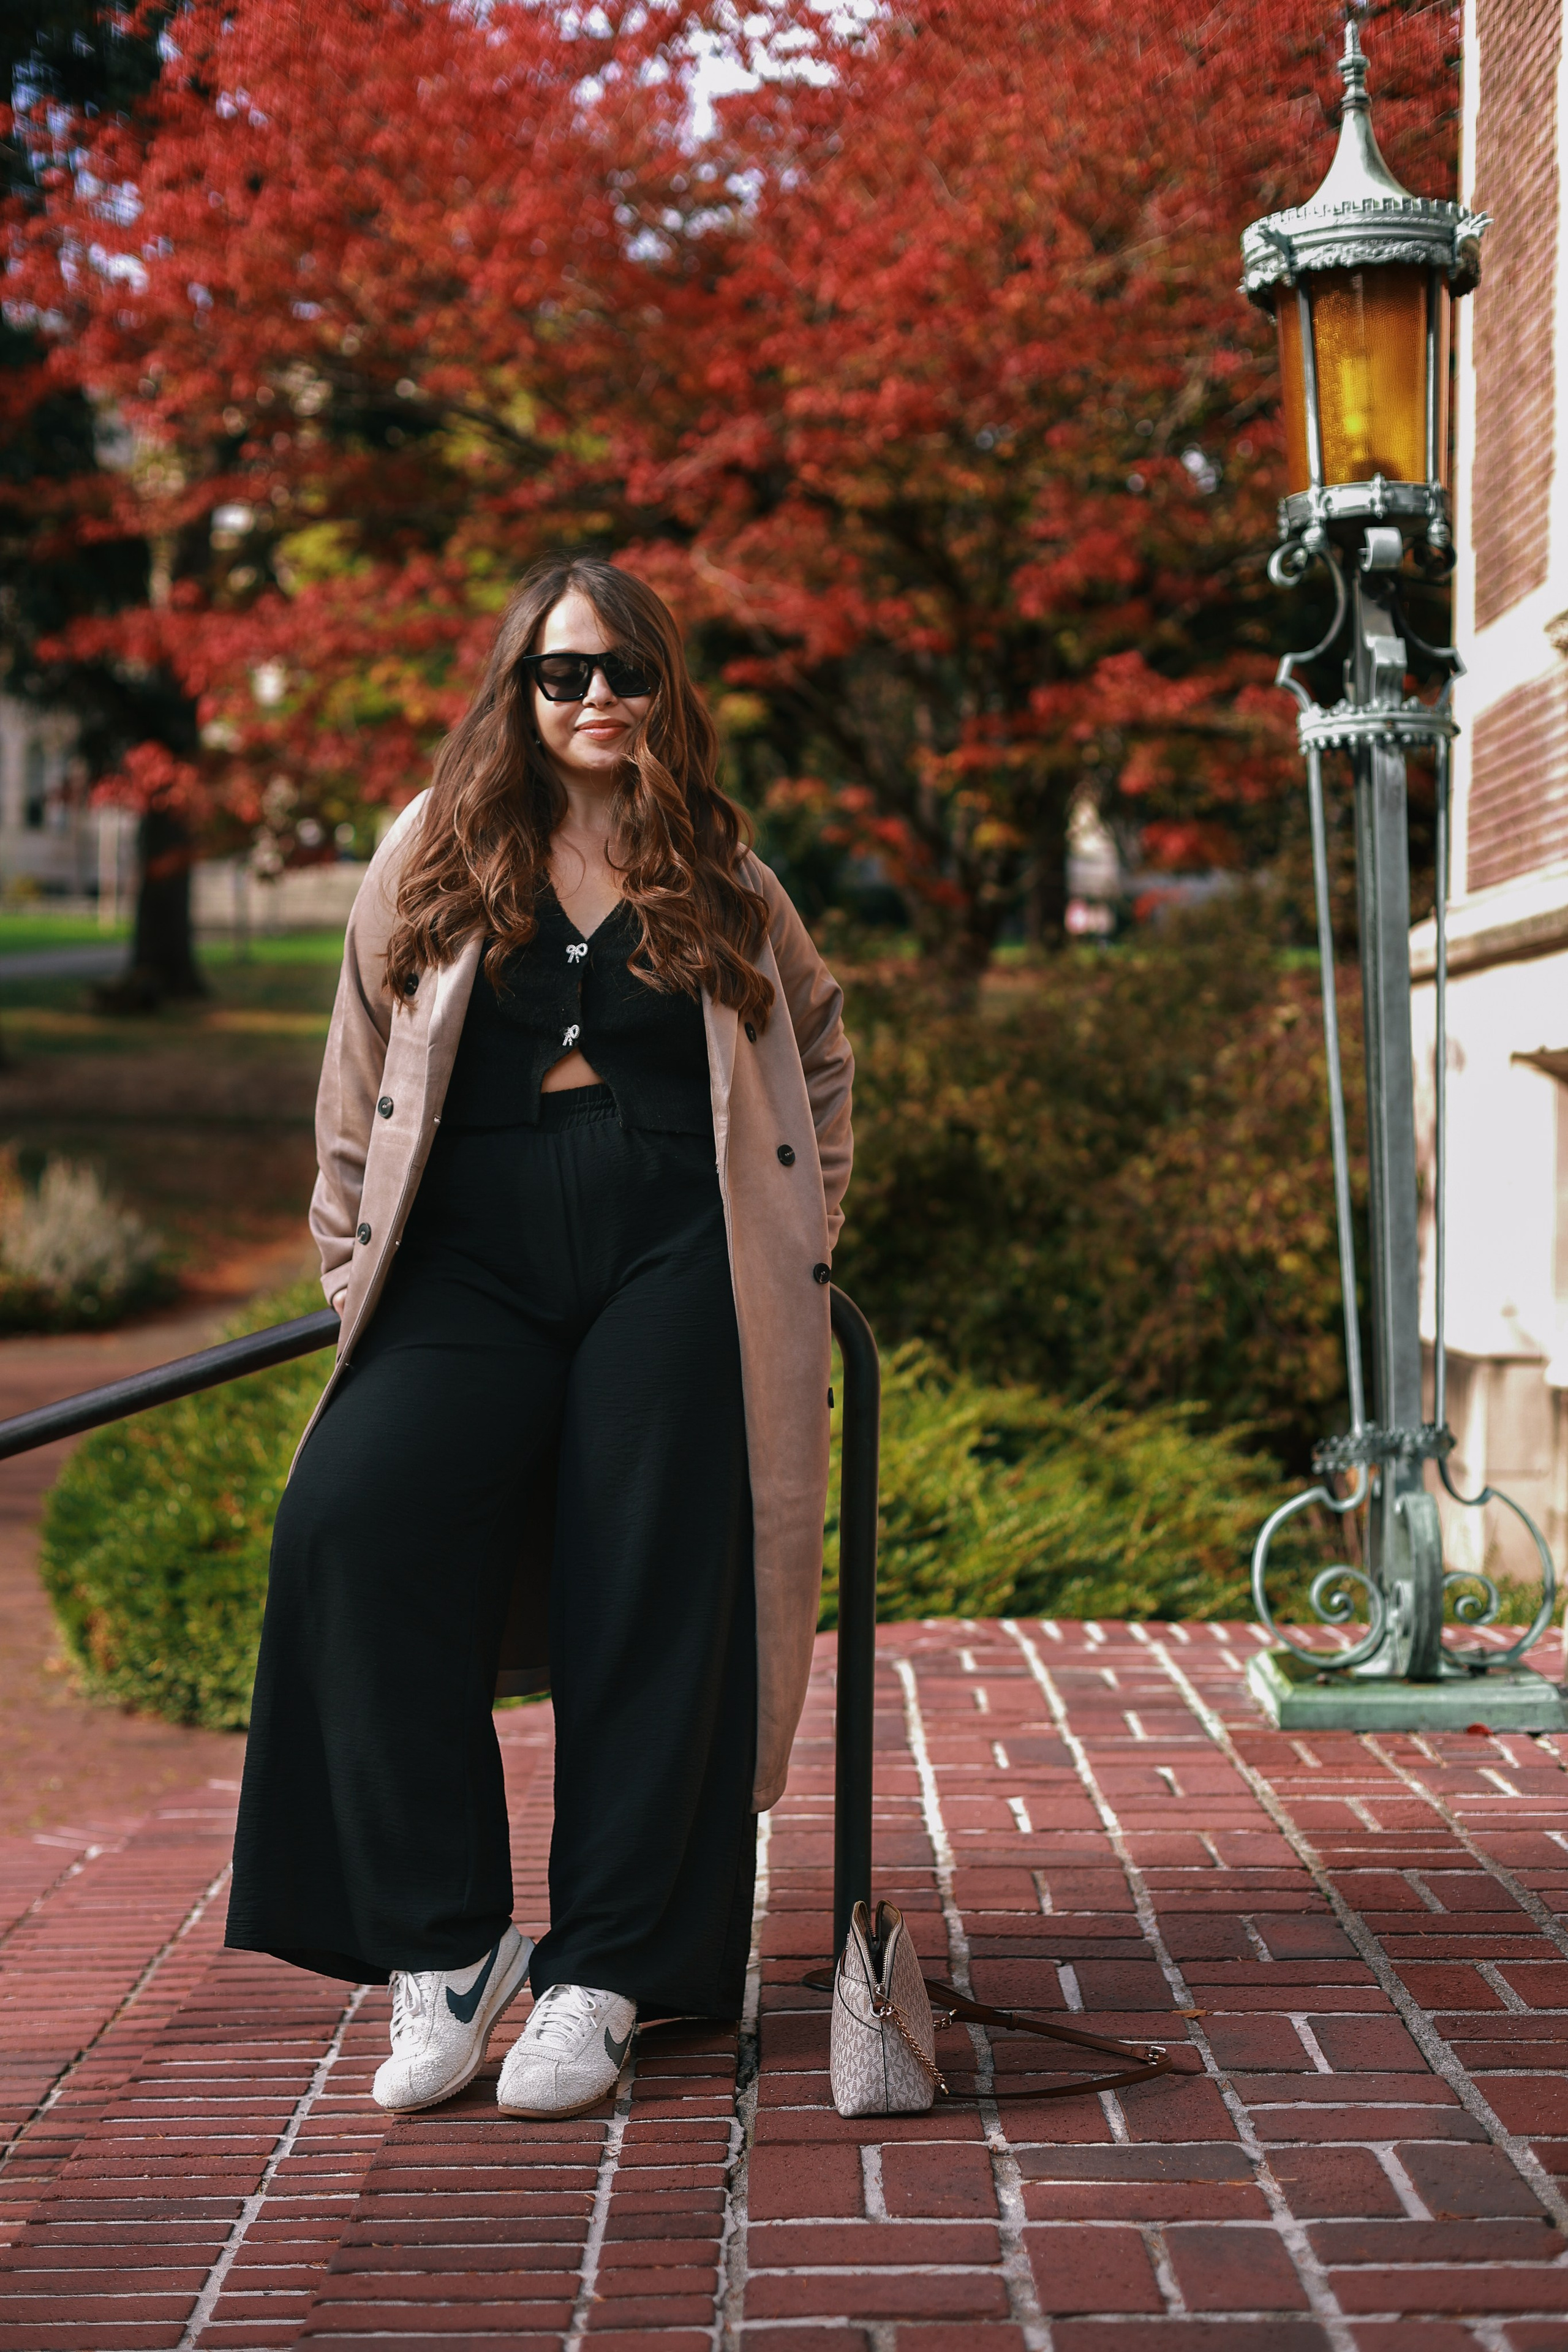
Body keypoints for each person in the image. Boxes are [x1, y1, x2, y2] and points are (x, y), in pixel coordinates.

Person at [223, 554, 854, 2120]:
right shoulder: (435, 847)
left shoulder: (717, 865)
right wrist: (347, 1260)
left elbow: (819, 1043)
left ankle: (605, 1970)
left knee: (653, 1575)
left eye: (626, 672)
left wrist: (803, 1231)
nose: (596, 700)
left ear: (663, 691)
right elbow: (356, 1055)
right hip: (468, 1257)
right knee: (346, 1520)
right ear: (516, 689)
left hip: (674, 1248)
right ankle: (445, 1943)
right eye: (563, 674)